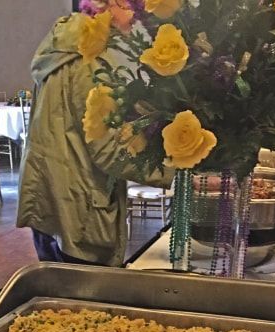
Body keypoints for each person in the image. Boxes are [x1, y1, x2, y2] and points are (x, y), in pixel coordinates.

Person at [17, 13, 170, 267]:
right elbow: (108, 150)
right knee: (83, 302)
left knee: (60, 294)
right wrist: (179, 173)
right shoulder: (90, 64)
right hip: (79, 207)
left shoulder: (61, 51)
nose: (137, 14)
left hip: (51, 198)